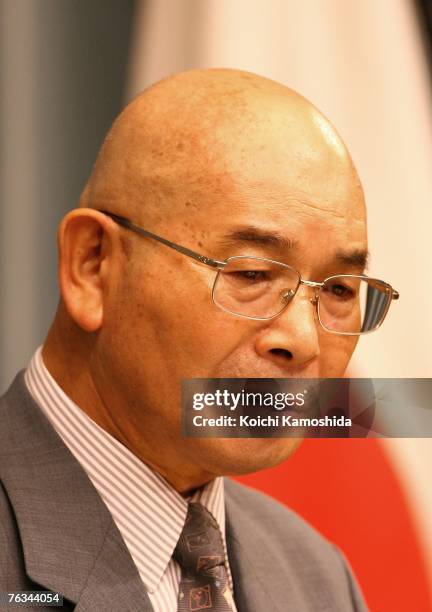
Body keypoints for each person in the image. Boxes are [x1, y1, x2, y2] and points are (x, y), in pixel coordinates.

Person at [0, 68, 398, 611]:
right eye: (252, 275)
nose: (303, 340)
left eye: (339, 289)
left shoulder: (316, 578)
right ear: (92, 265)